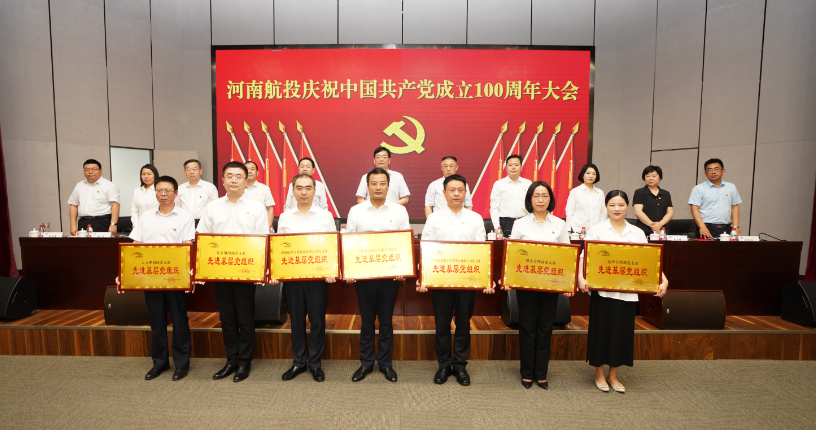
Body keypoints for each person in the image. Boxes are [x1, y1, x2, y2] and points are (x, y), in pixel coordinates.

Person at [577, 190, 668, 393]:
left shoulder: (637, 232)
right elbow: (585, 256)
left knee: (621, 333)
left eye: (620, 205)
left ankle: (613, 374)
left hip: (628, 291)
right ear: (606, 207)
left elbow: (648, 260)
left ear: (627, 206)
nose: (616, 209)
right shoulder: (597, 230)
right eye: (612, 205)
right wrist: (581, 278)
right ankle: (599, 373)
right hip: (602, 291)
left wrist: (663, 279)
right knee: (600, 331)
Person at [417, 174, 495, 386]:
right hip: (440, 280)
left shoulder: (475, 218)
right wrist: (422, 277)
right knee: (442, 324)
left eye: (460, 190)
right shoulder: (434, 218)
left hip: (467, 281)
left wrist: (487, 278)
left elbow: (482, 251)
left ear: (465, 192)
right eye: (451, 190)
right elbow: (425, 248)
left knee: (463, 324)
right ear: (444, 193)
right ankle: (444, 365)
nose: (456, 194)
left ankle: (460, 366)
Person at [116, 175, 195, 381]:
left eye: (167, 190)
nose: (163, 194)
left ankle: (182, 364)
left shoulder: (185, 217)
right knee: (156, 321)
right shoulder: (146, 217)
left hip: (175, 278)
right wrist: (124, 273)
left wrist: (189, 275)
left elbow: (187, 246)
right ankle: (159, 363)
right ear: (155, 193)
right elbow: (135, 247)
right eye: (159, 190)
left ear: (176, 194)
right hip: (150, 277)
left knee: (179, 320)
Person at [195, 162, 268, 382]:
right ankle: (231, 360)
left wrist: (260, 270)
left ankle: (245, 361)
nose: (234, 180)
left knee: (245, 317)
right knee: (226, 318)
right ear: (223, 181)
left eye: (238, 176)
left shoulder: (257, 207)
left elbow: (262, 240)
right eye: (229, 176)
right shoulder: (212, 207)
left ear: (246, 180)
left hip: (246, 271)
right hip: (220, 271)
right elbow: (202, 238)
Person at [502, 181, 571, 390]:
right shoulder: (520, 224)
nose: (540, 200)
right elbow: (512, 254)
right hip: (526, 284)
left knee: (545, 327)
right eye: (536, 196)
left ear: (550, 199)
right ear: (530, 199)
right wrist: (508, 279)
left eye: (544, 196)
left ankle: (541, 373)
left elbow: (567, 254)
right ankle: (526, 372)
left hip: (551, 284)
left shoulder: (560, 224)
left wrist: (568, 283)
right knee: (527, 326)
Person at [346, 168, 410, 383]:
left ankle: (385, 364)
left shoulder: (399, 211)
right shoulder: (356, 211)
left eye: (382, 183)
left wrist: (403, 269)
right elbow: (349, 242)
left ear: (388, 186)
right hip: (363, 276)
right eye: (374, 183)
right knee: (366, 320)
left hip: (389, 276)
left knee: (385, 320)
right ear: (367, 186)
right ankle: (366, 363)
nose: (378, 187)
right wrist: (350, 270)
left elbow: (404, 242)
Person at [273, 174, 337, 383]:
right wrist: (276, 272)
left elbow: (332, 246)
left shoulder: (325, 216)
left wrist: (332, 270)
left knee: (317, 321)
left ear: (314, 191)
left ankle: (315, 363)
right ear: (292, 191)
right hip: (293, 279)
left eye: (308, 188)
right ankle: (299, 362)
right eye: (299, 188)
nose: (303, 192)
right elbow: (279, 248)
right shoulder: (285, 217)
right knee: (296, 321)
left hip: (318, 279)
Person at [689, 158, 742, 239]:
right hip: (707, 229)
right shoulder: (699, 188)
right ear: (705, 173)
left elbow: (734, 207)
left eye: (716, 169)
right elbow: (694, 209)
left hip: (727, 229)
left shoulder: (731, 187)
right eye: (709, 170)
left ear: (723, 171)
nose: (713, 172)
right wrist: (702, 227)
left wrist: (736, 227)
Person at [67, 159, 121, 236]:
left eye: (94, 169)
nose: (90, 172)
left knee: (101, 244)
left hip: (102, 222)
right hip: (83, 222)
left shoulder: (109, 185)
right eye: (87, 170)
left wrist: (113, 224)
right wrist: (73, 225)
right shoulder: (79, 185)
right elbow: (73, 206)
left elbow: (115, 205)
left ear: (100, 170)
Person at [489, 155, 531, 237]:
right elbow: (494, 207)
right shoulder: (499, 184)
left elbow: (531, 205)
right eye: (510, 165)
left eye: (516, 165)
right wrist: (497, 226)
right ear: (506, 167)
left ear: (521, 167)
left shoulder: (528, 183)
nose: (513, 167)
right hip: (505, 223)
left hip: (525, 221)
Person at [565, 163, 607, 233]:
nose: (591, 176)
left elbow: (603, 213)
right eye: (588, 173)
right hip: (578, 230)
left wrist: (602, 229)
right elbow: (569, 212)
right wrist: (568, 229)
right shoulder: (575, 191)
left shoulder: (600, 193)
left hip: (596, 232)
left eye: (594, 174)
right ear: (582, 175)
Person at [633, 165, 674, 236]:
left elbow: (670, 213)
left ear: (660, 178)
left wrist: (660, 224)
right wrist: (653, 225)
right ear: (644, 178)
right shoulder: (639, 192)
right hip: (643, 231)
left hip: (662, 231)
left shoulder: (666, 194)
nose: (650, 178)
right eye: (647, 176)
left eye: (654, 176)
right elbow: (638, 212)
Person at [178, 159, 219, 226]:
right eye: (189, 169)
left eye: (195, 169)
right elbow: (177, 206)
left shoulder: (210, 187)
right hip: (184, 223)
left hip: (203, 223)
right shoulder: (180, 188)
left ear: (200, 171)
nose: (192, 172)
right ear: (185, 172)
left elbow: (215, 207)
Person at [243, 161, 275, 227]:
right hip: (243, 226)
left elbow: (270, 209)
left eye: (252, 169)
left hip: (260, 226)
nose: (249, 171)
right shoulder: (238, 189)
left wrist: (268, 227)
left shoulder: (264, 188)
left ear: (257, 173)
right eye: (247, 169)